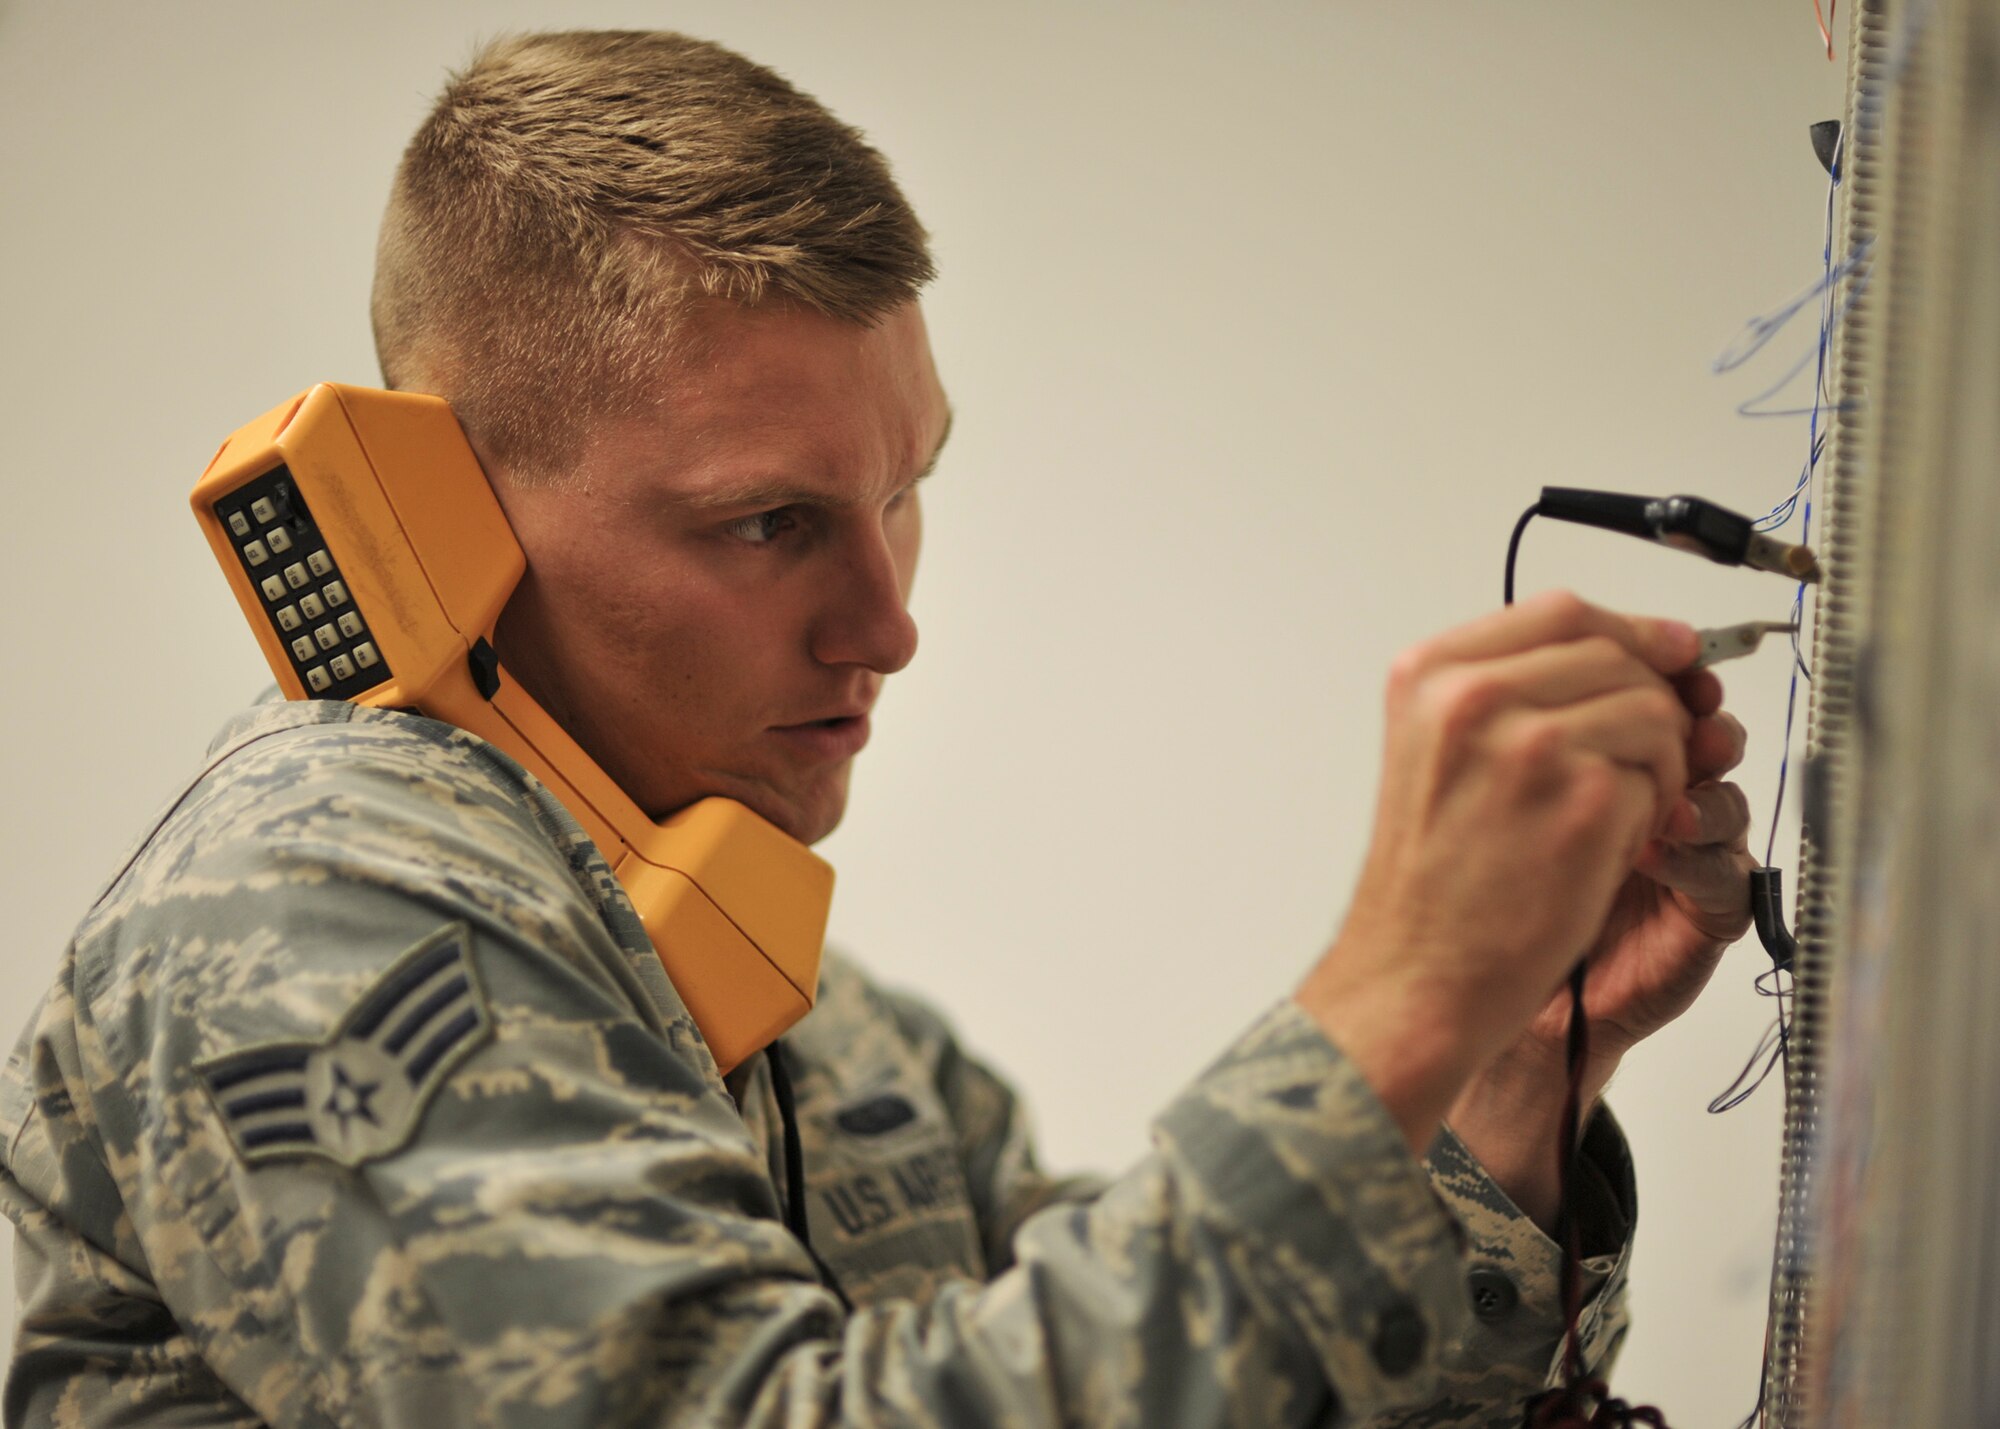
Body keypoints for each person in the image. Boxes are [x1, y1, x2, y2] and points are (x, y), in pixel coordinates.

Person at [0, 30, 1753, 1428]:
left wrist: (1508, 1064)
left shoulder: (830, 1036)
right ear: (449, 508)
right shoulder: (308, 905)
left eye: (904, 493)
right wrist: (1396, 996)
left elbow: (1168, 1376)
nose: (892, 624)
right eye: (769, 523)